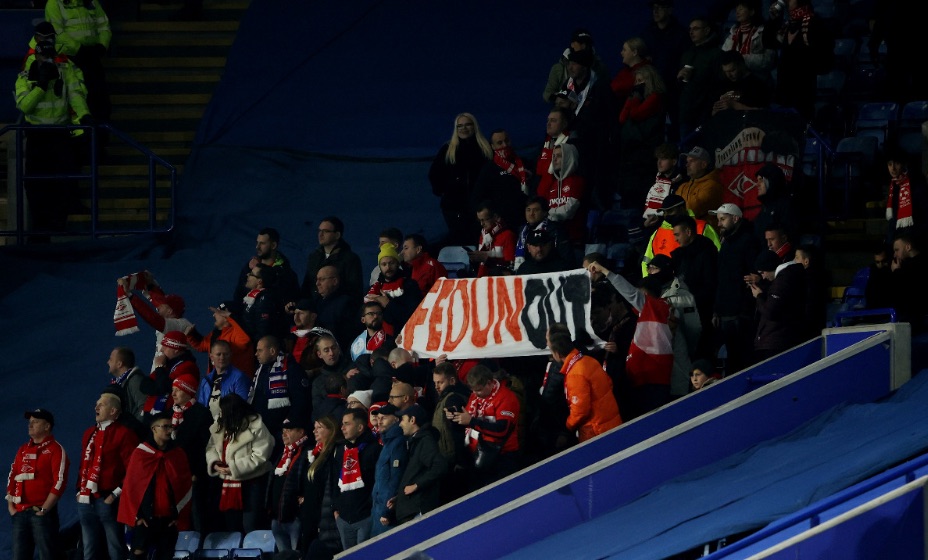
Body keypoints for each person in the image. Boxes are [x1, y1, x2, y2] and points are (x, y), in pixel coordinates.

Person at [14, 39, 90, 240]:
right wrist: (40, 86)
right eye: (44, 56)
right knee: (36, 185)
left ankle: (58, 226)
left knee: (63, 183)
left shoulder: (64, 72)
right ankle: (40, 231)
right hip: (37, 137)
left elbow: (75, 95)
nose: (48, 60)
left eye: (51, 55)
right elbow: (24, 106)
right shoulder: (25, 77)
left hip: (60, 134)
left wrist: (84, 115)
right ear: (36, 56)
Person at [587, 261, 674, 418]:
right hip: (640, 380)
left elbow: (631, 293)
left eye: (641, 295)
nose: (635, 299)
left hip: (653, 381)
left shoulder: (658, 309)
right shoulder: (641, 314)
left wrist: (606, 271)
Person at [117, 412, 192, 560]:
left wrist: (178, 516)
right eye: (165, 427)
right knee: (138, 553)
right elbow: (131, 487)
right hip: (146, 519)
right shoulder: (141, 453)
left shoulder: (177, 454)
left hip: (169, 520)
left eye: (171, 427)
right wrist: (138, 516)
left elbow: (185, 486)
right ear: (154, 429)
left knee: (165, 555)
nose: (169, 430)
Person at [76, 392, 140, 560]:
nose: (96, 407)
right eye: (96, 404)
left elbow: (133, 470)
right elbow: (84, 464)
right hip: (86, 499)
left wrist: (114, 495)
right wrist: (79, 491)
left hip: (108, 499)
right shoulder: (89, 433)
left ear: (113, 411)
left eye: (101, 405)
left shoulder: (125, 434)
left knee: (115, 548)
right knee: (88, 549)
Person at [205, 393, 273, 534]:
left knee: (250, 526)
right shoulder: (220, 424)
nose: (220, 414)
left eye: (223, 411)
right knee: (232, 527)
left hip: (252, 483)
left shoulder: (256, 425)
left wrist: (234, 468)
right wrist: (215, 463)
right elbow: (211, 448)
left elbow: (260, 455)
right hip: (227, 482)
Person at [7, 409, 69, 560]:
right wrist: (11, 507)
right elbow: (12, 476)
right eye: (30, 422)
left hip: (42, 514)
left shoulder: (55, 449)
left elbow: (59, 482)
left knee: (48, 556)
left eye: (35, 422)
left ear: (47, 426)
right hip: (20, 514)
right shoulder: (23, 450)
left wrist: (43, 510)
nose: (30, 425)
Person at [448, 364, 521, 490]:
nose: (475, 394)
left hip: (500, 457)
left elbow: (502, 429)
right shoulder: (475, 396)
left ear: (489, 383)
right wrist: (456, 417)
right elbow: (469, 418)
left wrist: (471, 422)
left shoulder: (506, 398)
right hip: (477, 455)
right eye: (473, 390)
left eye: (479, 390)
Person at [762, 0, 834, 119]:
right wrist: (773, 20)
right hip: (785, 89)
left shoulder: (814, 23)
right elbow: (768, 42)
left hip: (804, 89)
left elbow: (826, 57)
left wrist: (806, 66)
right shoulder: (787, 25)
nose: (786, 1)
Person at [429, 113, 493, 245]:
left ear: (474, 126)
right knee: (459, 239)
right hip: (454, 207)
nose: (464, 128)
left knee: (480, 240)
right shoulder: (448, 149)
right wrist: (445, 191)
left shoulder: (485, 148)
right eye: (460, 126)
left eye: (468, 124)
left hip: (480, 206)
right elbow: (434, 174)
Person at [710, 203, 760, 375]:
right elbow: (721, 279)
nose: (719, 224)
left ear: (736, 218)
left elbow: (753, 275)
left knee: (742, 359)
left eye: (723, 219)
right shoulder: (726, 243)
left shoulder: (748, 241)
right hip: (726, 313)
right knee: (731, 360)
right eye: (718, 220)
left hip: (740, 314)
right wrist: (717, 310)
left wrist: (744, 309)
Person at [548, 331, 622, 442]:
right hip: (612, 423)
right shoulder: (589, 360)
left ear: (557, 354)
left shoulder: (575, 374)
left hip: (596, 431)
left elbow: (580, 411)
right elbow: (609, 383)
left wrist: (568, 427)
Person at [45, 0, 111, 122]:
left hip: (92, 56)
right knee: (76, 98)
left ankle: (99, 131)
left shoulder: (92, 2)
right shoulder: (54, 3)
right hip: (69, 59)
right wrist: (78, 49)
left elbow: (104, 26)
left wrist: (102, 46)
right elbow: (57, 32)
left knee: (99, 101)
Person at [117, 272, 192, 373]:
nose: (158, 307)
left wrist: (130, 296)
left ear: (169, 311)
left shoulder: (180, 325)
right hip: (162, 372)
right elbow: (158, 300)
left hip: (171, 374)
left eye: (162, 305)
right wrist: (150, 284)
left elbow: (153, 318)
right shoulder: (172, 318)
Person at [167, 374, 213, 535]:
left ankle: (199, 545)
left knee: (196, 515)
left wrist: (196, 473)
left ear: (188, 391)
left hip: (193, 477)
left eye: (177, 390)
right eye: (172, 390)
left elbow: (206, 447)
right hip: (173, 475)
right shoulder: (170, 414)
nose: (173, 394)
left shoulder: (201, 414)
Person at [640, 0, 689, 142]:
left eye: (660, 7)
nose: (655, 11)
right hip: (652, 89)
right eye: (654, 8)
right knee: (652, 128)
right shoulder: (647, 33)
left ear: (670, 10)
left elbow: (686, 60)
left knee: (674, 127)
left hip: (674, 89)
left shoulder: (681, 34)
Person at [250, 335, 310, 450]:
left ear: (272, 351)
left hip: (283, 433)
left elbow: (300, 400)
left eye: (260, 350)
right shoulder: (260, 371)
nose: (256, 354)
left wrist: (288, 424)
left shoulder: (292, 369)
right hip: (262, 431)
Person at [333, 409, 382, 549]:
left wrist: (371, 510)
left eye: (347, 424)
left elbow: (378, 482)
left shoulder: (375, 449)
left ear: (360, 427)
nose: (342, 428)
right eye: (342, 424)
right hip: (343, 518)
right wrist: (335, 508)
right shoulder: (341, 450)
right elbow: (334, 480)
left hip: (366, 517)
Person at [641, 193, 720, 277]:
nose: (666, 215)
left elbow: (718, 257)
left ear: (682, 209)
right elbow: (647, 261)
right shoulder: (658, 233)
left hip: (695, 281)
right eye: (664, 212)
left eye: (670, 211)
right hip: (663, 283)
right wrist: (650, 281)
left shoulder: (702, 227)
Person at [749, 250, 808, 362]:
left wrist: (759, 296)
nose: (763, 277)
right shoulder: (787, 278)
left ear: (769, 267)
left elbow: (770, 312)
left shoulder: (783, 280)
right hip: (781, 339)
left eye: (762, 272)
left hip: (776, 342)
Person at [393, 404, 447, 525]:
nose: (400, 424)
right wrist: (399, 497)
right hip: (411, 510)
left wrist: (417, 485)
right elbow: (415, 473)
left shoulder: (425, 441)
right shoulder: (415, 442)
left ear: (412, 420)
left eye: (403, 420)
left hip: (418, 510)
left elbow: (440, 466)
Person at [300, 416, 342, 559]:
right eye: (314, 427)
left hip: (323, 512)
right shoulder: (316, 453)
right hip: (310, 511)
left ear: (331, 430)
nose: (314, 431)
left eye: (319, 427)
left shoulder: (335, 452)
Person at [232, 227, 301, 315]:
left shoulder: (286, 274)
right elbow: (238, 295)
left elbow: (292, 302)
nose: (257, 247)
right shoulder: (250, 266)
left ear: (273, 245)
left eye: (262, 243)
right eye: (257, 242)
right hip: (246, 318)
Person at [267, 417, 311, 552]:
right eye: (283, 431)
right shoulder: (283, 454)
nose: (284, 434)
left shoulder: (308, 453)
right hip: (277, 519)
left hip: (295, 519)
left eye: (289, 430)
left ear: (301, 432)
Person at [472, 129, 530, 229]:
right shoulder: (488, 169)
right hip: (504, 224)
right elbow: (477, 198)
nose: (504, 145)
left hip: (527, 218)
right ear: (493, 146)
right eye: (499, 143)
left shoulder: (524, 163)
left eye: (506, 141)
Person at [676, 16, 723, 138]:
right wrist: (679, 77)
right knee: (686, 146)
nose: (691, 32)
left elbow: (719, 83)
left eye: (696, 28)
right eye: (690, 29)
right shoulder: (687, 54)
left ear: (706, 30)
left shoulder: (717, 54)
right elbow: (680, 86)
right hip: (686, 112)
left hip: (705, 113)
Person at [301, 216, 364, 301]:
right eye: (319, 231)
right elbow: (307, 286)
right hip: (313, 306)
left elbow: (354, 290)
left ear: (337, 235)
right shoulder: (313, 257)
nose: (320, 234)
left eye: (325, 231)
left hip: (337, 306)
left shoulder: (350, 259)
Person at [365, 244, 423, 336]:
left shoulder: (410, 285)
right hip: (378, 337)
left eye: (391, 263)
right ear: (379, 267)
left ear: (398, 264)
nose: (388, 267)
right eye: (384, 264)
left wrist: (388, 304)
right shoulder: (374, 289)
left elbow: (414, 316)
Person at [537, 143, 588, 246]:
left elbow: (567, 212)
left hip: (573, 241)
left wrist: (547, 213)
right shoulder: (552, 184)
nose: (554, 159)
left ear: (569, 158)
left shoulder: (577, 181)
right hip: (552, 239)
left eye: (559, 156)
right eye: (553, 156)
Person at [618, 65, 668, 169]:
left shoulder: (655, 96)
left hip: (647, 144)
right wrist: (631, 97)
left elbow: (636, 114)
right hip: (633, 144)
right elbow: (622, 118)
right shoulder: (638, 96)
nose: (637, 84)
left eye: (640, 81)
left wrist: (635, 97)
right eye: (636, 81)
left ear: (649, 81)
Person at [543, 28, 610, 104]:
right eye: (581, 43)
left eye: (587, 43)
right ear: (572, 44)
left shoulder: (600, 67)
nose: (584, 46)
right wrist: (560, 98)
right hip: (565, 108)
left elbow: (607, 92)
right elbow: (547, 93)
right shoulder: (559, 68)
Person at [185, 302, 254, 375]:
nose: (214, 315)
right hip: (216, 379)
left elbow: (245, 339)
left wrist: (229, 316)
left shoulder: (237, 333)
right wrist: (192, 335)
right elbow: (201, 345)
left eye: (218, 312)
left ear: (225, 315)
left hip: (236, 381)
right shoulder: (216, 333)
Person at [370, 403, 407, 537]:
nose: (379, 421)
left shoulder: (398, 442)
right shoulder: (387, 443)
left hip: (386, 511)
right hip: (377, 507)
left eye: (384, 418)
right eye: (378, 418)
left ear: (396, 419)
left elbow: (396, 478)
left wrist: (387, 511)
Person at [142, 330, 200, 414]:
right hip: (153, 414)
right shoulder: (167, 363)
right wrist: (158, 387)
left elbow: (164, 387)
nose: (161, 350)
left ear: (176, 349)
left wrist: (159, 367)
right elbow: (143, 385)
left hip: (171, 415)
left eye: (165, 347)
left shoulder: (188, 366)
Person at [721, 0, 776, 87]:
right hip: (735, 81)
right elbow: (724, 56)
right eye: (736, 9)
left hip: (759, 80)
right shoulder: (734, 32)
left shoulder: (764, 32)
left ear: (752, 11)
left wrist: (741, 59)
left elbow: (768, 61)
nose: (737, 12)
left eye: (741, 9)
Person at [196, 339, 251, 420]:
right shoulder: (206, 380)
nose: (222, 357)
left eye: (226, 354)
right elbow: (201, 407)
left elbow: (243, 407)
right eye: (218, 354)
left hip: (230, 423)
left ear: (231, 355)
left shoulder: (239, 377)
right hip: (208, 424)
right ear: (211, 357)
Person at [514, 196, 572, 271]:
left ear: (544, 213)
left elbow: (566, 259)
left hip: (552, 270)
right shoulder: (522, 230)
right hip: (529, 270)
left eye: (535, 210)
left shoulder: (555, 230)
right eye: (528, 210)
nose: (531, 214)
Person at [313, 265, 360, 353]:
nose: (317, 283)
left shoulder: (346, 303)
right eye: (317, 279)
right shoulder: (316, 301)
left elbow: (348, 335)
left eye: (322, 279)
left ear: (334, 281)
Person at [710, 50, 771, 116]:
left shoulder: (757, 85)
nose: (729, 75)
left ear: (742, 65)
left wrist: (735, 105)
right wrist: (715, 111)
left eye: (732, 70)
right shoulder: (724, 83)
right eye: (726, 72)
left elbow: (762, 112)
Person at [883, 148, 926, 240]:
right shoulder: (893, 185)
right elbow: (893, 218)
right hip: (897, 233)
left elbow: (922, 211)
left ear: (903, 164)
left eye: (896, 163)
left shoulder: (916, 181)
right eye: (890, 164)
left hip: (913, 234)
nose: (893, 168)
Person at [676, 146, 724, 224]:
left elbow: (693, 210)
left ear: (703, 164)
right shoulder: (683, 186)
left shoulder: (712, 186)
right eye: (687, 161)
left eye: (691, 161)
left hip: (705, 230)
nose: (687, 165)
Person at [240, 262, 287, 343]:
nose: (248, 275)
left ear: (259, 281)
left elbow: (263, 332)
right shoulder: (254, 295)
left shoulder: (265, 301)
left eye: (251, 274)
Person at [470, 201, 517, 277]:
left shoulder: (508, 235)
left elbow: (510, 268)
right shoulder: (483, 235)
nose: (482, 224)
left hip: (498, 281)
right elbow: (481, 266)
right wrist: (474, 260)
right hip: (482, 279)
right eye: (480, 220)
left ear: (495, 217)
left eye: (484, 220)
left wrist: (487, 259)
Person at [534, 107, 574, 187]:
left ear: (564, 124)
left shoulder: (570, 144)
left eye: (553, 121)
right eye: (548, 120)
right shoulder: (545, 143)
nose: (548, 124)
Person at [611, 37, 654, 108]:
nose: (621, 53)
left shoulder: (644, 73)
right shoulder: (625, 70)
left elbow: (618, 89)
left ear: (634, 52)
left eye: (624, 50)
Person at [107, 347, 146, 421]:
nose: (108, 362)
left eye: (111, 359)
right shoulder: (119, 384)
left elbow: (145, 407)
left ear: (119, 364)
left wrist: (134, 426)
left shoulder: (135, 380)